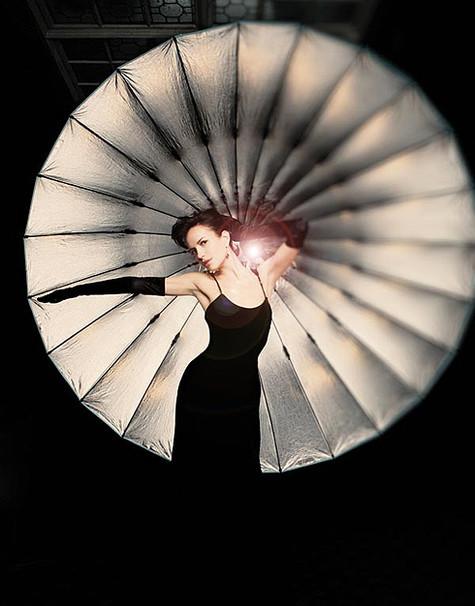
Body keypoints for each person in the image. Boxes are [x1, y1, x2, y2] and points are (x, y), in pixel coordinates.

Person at [37, 209, 308, 482]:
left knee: (241, 465)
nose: (199, 254)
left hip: (246, 390)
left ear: (226, 238)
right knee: (196, 468)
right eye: (193, 250)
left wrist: (246, 232)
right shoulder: (202, 283)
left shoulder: (265, 276)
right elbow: (136, 283)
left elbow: (298, 229)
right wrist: (73, 291)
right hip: (204, 386)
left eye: (203, 242)